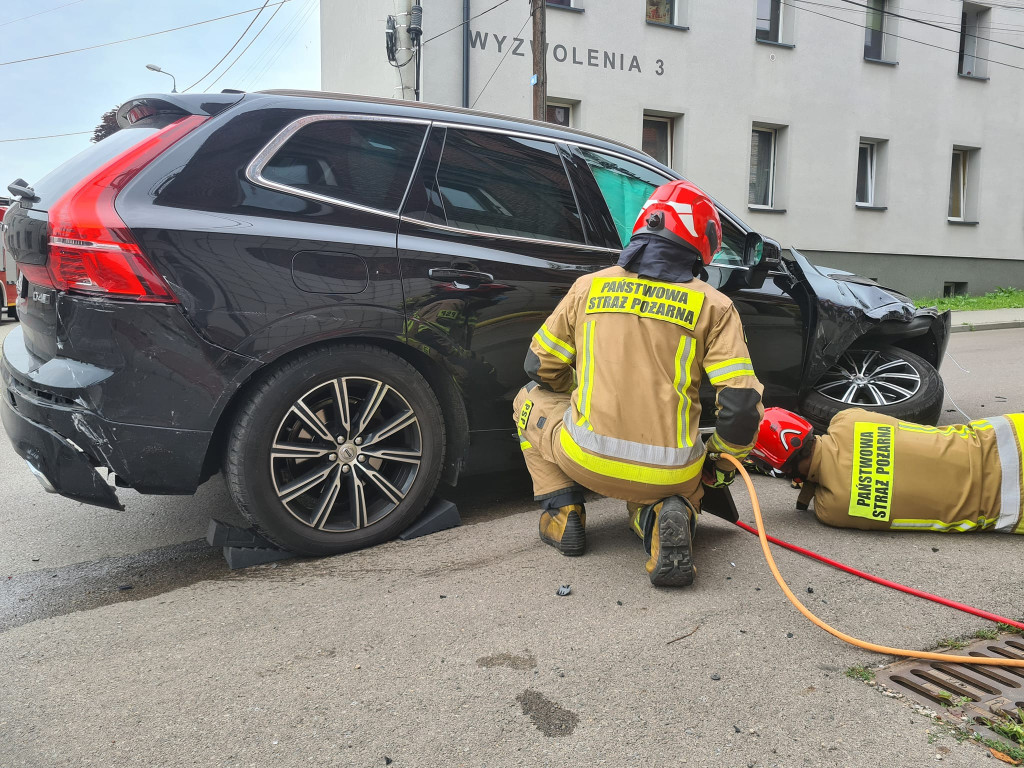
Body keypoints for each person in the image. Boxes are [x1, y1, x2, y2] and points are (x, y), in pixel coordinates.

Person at [512, 180, 764, 586]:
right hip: (674, 472)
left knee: (528, 399)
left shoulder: (588, 287)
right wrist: (717, 461)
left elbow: (539, 368)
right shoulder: (715, 306)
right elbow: (740, 405)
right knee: (661, 487)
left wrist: (584, 387)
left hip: (585, 458)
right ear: (702, 240)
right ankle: (658, 518)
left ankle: (563, 512)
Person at [751, 406, 1024, 533]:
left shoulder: (831, 508)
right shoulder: (847, 419)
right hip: (1010, 437)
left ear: (785, 469)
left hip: (1012, 506)